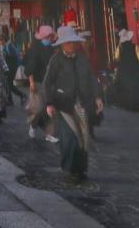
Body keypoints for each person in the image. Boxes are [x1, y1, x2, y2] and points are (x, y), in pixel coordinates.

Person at [44, 26, 103, 184]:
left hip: (82, 103)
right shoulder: (56, 60)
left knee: (83, 138)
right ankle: (70, 169)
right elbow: (47, 83)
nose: (71, 45)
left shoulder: (82, 59)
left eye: (73, 42)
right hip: (63, 105)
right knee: (70, 138)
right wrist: (49, 103)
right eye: (68, 43)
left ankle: (80, 169)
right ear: (62, 44)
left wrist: (97, 97)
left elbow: (91, 78)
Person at [24, 25, 58, 143]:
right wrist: (31, 82)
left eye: (50, 36)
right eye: (47, 36)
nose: (49, 39)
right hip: (38, 82)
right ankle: (33, 126)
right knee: (38, 109)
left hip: (49, 83)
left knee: (50, 108)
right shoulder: (35, 49)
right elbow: (29, 67)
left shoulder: (51, 49)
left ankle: (50, 133)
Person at [111, 28, 139, 112]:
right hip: (135, 71)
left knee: (124, 89)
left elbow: (116, 59)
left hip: (123, 72)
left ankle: (125, 106)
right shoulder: (135, 47)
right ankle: (135, 106)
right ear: (130, 39)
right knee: (135, 88)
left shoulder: (119, 48)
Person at [2, 29, 25, 105]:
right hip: (10, 68)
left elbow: (12, 56)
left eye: (0, 40)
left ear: (3, 40)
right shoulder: (8, 45)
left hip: (11, 68)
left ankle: (20, 96)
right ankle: (11, 99)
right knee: (8, 84)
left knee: (8, 84)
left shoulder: (9, 46)